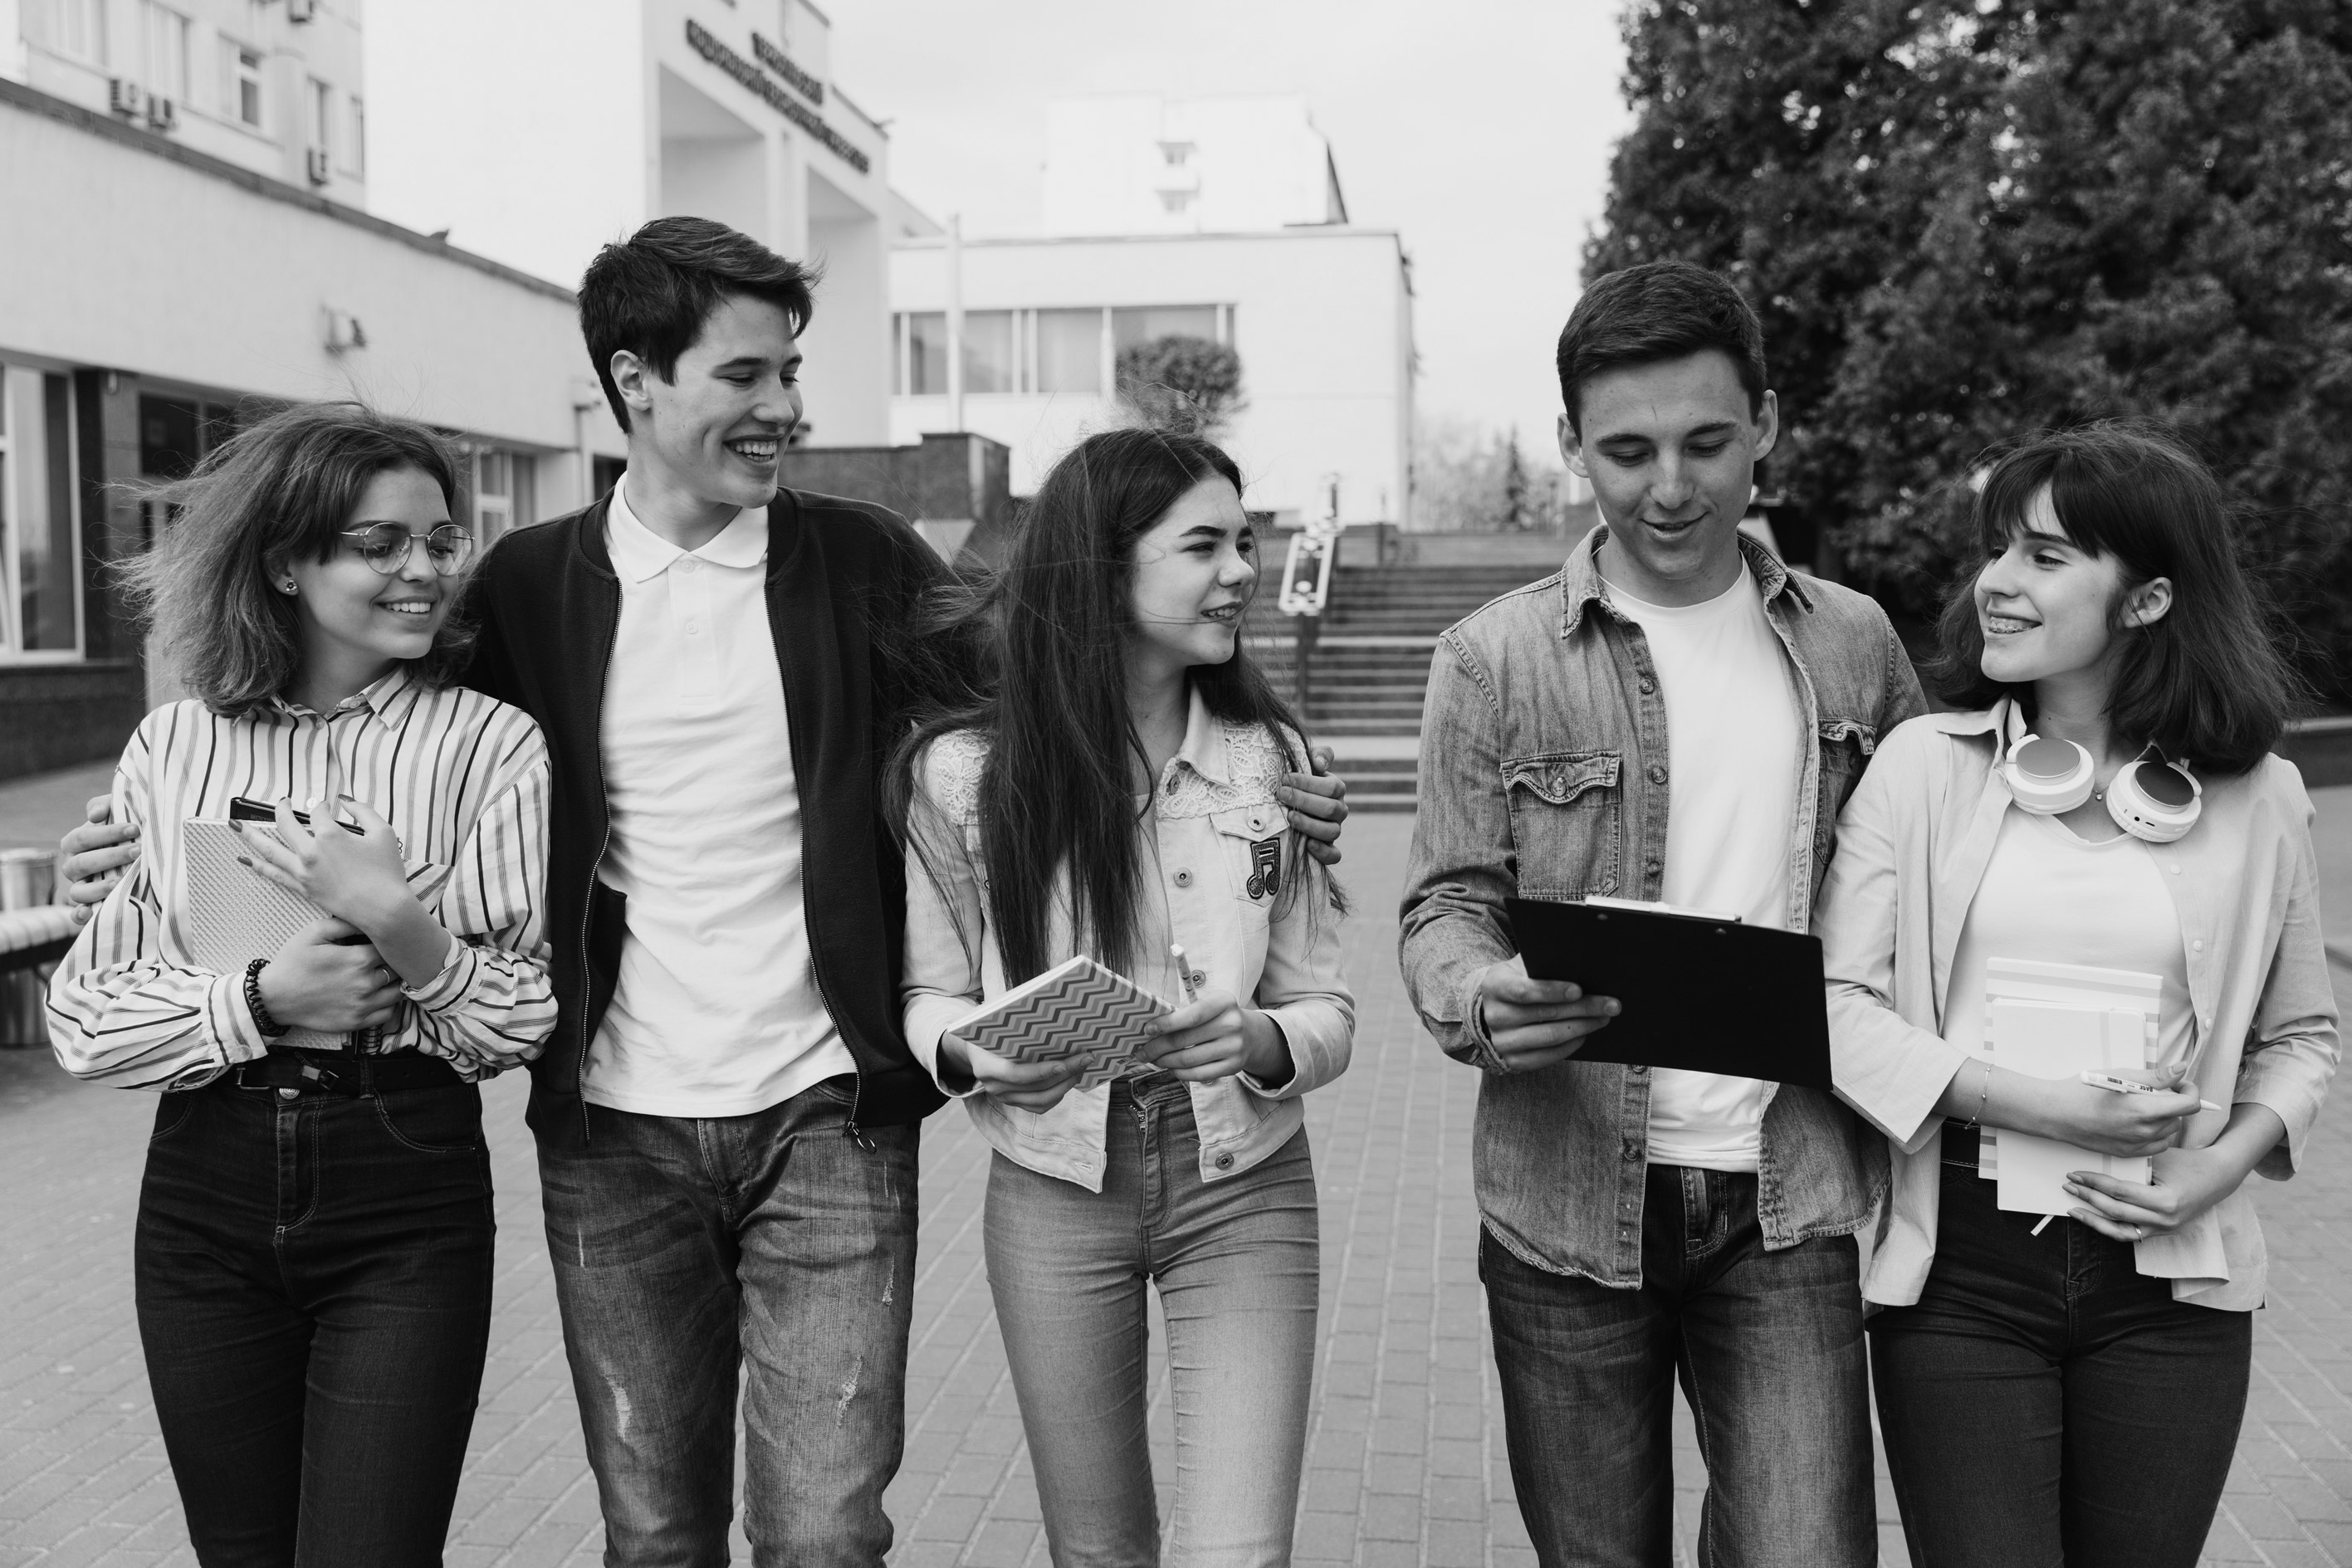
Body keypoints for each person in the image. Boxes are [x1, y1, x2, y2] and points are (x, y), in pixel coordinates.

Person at [61, 216, 1351, 1566]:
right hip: (612, 1126)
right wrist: (131, 845)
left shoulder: (863, 563)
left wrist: (1264, 772)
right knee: (655, 1531)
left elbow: (1046, 705)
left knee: (829, 1533)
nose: (784, 405)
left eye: (791, 370)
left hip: (829, 1116)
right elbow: (342, 712)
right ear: (637, 383)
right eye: (745, 375)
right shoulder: (518, 586)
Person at [1398, 258, 1929, 1567]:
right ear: (1569, 444)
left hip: (1788, 1194)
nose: (1670, 486)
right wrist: (1476, 995)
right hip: (1566, 1200)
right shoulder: (1492, 656)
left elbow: (1933, 882)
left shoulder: (1852, 642)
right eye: (1626, 450)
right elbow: (1443, 903)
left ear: (1765, 427)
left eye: (1707, 443)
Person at [1817, 422, 2339, 1567]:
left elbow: (2300, 1036)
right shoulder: (1921, 769)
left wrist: (2216, 1162)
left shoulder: (2264, 800)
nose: (1996, 582)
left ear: (2146, 600)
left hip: (2174, 1266)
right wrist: (2040, 1106)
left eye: (2044, 557)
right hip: (1960, 1267)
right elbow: (1836, 1008)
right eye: (1997, 549)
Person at [47, 403, 556, 1566]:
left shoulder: (490, 747)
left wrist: (394, 915)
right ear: (285, 561)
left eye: (440, 540)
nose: (424, 570)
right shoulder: (173, 747)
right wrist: (263, 1001)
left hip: (402, 1185)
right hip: (200, 1193)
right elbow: (83, 1016)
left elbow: (518, 1015)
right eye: (380, 545)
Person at [892, 428, 1354, 1566]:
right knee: (1099, 1552)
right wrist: (968, 1053)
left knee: (1235, 1555)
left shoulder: (1270, 757)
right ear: (1100, 568)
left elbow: (1329, 1008)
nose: (1243, 569)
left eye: (1245, 541)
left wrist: (1259, 1035)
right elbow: (925, 989)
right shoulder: (966, 776)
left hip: (1243, 1182)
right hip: (1054, 1185)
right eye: (1204, 545)